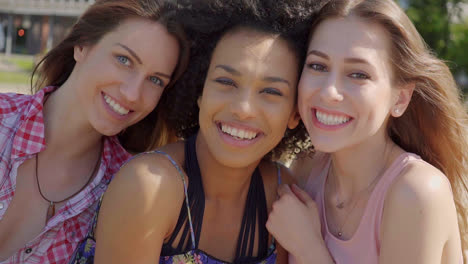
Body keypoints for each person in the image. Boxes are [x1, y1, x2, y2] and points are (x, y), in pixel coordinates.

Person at [93, 1, 322, 263]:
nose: (243, 109)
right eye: (226, 82)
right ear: (200, 91)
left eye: (271, 92)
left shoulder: (282, 194)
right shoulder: (149, 186)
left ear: (295, 113)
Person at [266, 0, 468, 263]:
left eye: (358, 75)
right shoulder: (306, 170)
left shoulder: (416, 192)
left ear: (400, 99)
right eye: (318, 66)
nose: (329, 92)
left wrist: (309, 249)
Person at [0, 0, 189, 263]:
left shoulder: (124, 190)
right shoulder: (3, 118)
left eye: (155, 80)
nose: (132, 93)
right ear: (82, 45)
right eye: (124, 60)